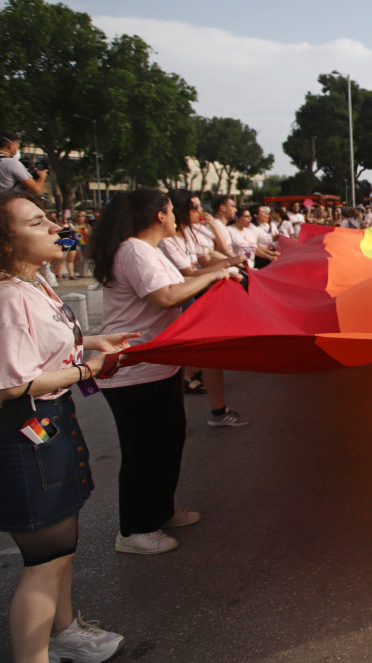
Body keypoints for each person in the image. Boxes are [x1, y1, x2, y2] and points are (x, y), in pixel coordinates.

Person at [0, 190, 130, 662]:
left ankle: (66, 632)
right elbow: (14, 384)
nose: (56, 227)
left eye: (48, 218)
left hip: (47, 428)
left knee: (60, 551)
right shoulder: (4, 296)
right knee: (44, 562)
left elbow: (43, 343)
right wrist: (89, 369)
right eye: (37, 222)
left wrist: (94, 341)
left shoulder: (30, 283)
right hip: (23, 437)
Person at [90, 189, 234, 554]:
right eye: (171, 211)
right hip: (133, 369)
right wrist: (215, 276)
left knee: (168, 440)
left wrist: (217, 273)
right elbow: (167, 296)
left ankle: (160, 510)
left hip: (157, 365)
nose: (176, 217)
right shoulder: (134, 250)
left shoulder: (146, 249)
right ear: (159, 216)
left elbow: (178, 286)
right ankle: (134, 529)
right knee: (144, 450)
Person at [160, 190, 250, 427]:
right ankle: (179, 420)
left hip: (193, 297)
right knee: (180, 362)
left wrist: (229, 263)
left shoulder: (190, 234)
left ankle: (217, 411)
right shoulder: (164, 242)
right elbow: (189, 273)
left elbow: (206, 259)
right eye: (195, 207)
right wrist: (225, 266)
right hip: (182, 301)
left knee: (211, 354)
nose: (201, 212)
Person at [0, 132, 49, 196]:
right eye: (18, 146)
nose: (17, 149)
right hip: (8, 200)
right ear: (11, 146)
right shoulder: (11, 163)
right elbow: (36, 189)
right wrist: (42, 176)